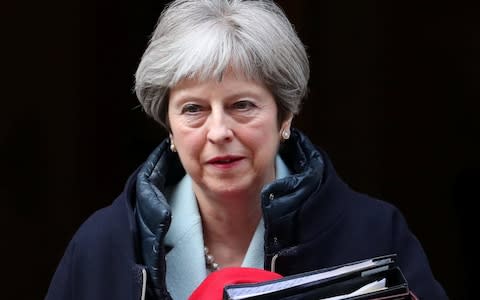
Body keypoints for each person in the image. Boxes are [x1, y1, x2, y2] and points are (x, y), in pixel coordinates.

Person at [46, 0, 448, 299]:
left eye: (242, 106)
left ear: (285, 115)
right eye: (193, 109)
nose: (219, 131)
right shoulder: (102, 246)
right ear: (167, 125)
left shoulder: (373, 233)